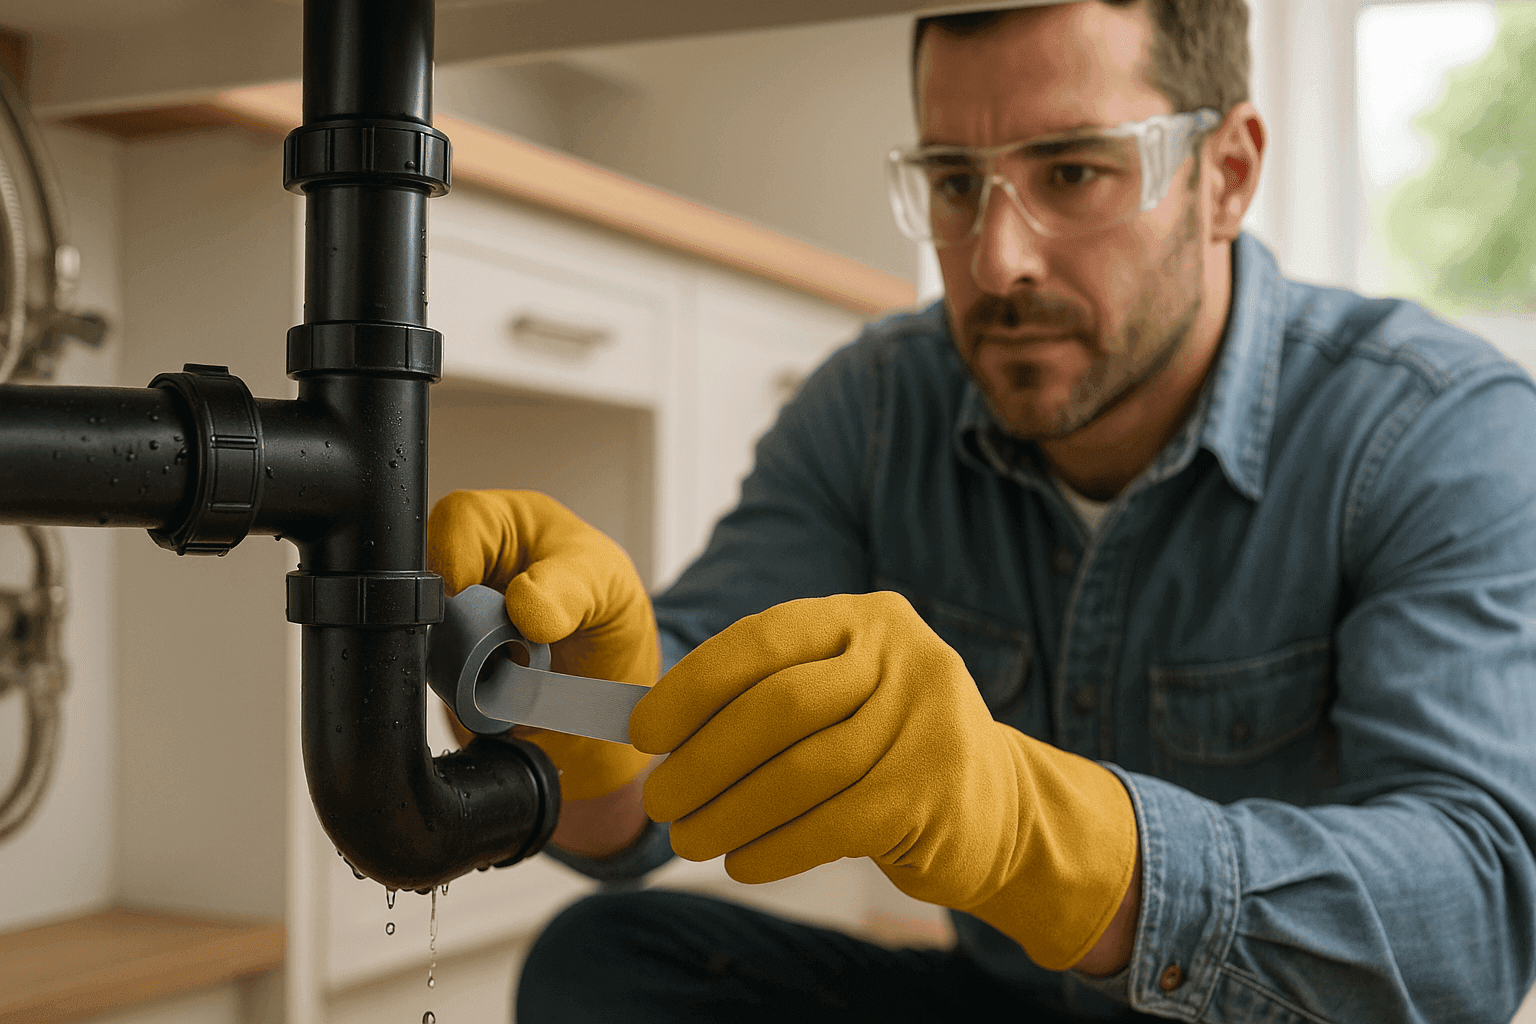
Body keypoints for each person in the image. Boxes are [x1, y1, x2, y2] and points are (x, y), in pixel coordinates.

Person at [426, 1, 1536, 1019]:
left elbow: (1473, 923)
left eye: (1073, 173)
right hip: (1014, 1004)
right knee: (604, 961)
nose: (997, 259)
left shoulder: (1435, 430)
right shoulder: (876, 406)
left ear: (1228, 173)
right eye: (956, 183)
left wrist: (1030, 833)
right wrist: (570, 697)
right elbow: (632, 810)